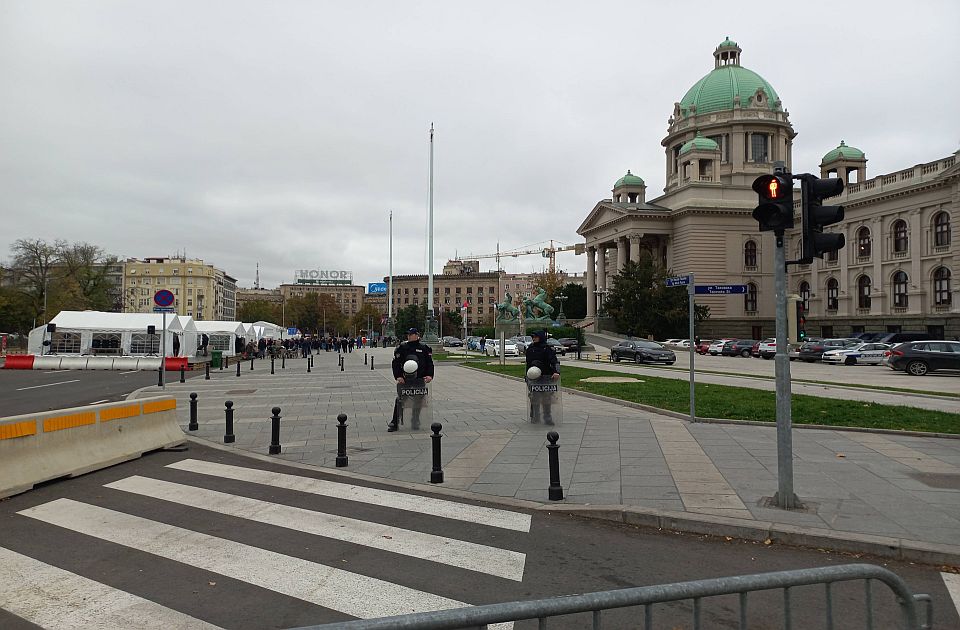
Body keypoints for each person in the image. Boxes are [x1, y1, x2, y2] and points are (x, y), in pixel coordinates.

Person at [389, 327, 435, 431]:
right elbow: (396, 363)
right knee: (400, 400)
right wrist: (398, 376)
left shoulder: (424, 348)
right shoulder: (402, 347)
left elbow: (429, 363)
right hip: (405, 379)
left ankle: (415, 420)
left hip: (419, 379)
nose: (408, 336)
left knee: (418, 400)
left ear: (417, 335)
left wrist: (430, 375)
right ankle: (395, 422)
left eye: (411, 334)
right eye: (408, 334)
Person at [525, 329, 560, 425]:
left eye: (536, 336)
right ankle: (535, 416)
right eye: (533, 337)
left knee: (546, 397)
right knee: (534, 397)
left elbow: (555, 362)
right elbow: (528, 364)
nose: (534, 338)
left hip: (546, 376)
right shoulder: (530, 348)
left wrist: (556, 372)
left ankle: (547, 417)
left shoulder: (547, 349)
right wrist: (527, 376)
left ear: (541, 337)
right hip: (533, 377)